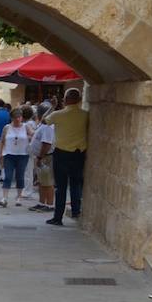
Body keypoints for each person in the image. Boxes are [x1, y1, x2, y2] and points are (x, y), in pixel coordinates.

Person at [45, 88, 88, 225]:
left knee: (61, 187)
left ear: (65, 99)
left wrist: (52, 106)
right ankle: (76, 211)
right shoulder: (85, 115)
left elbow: (43, 121)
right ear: (80, 100)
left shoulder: (57, 114)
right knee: (76, 184)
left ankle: (58, 217)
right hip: (79, 153)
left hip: (62, 153)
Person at [0, 108, 33, 207]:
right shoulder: (7, 127)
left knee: (20, 176)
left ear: (22, 117)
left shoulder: (26, 127)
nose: (18, 119)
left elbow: (34, 135)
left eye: (19, 117)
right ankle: (4, 198)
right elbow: (2, 141)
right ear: (12, 118)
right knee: (7, 176)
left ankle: (19, 197)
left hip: (23, 155)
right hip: (9, 154)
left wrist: (30, 138)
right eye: (15, 117)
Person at [29, 118, 56, 213]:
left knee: (48, 182)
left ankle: (49, 204)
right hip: (41, 157)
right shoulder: (43, 126)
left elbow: (47, 144)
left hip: (46, 157)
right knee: (42, 182)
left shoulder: (48, 127)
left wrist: (41, 157)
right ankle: (42, 203)